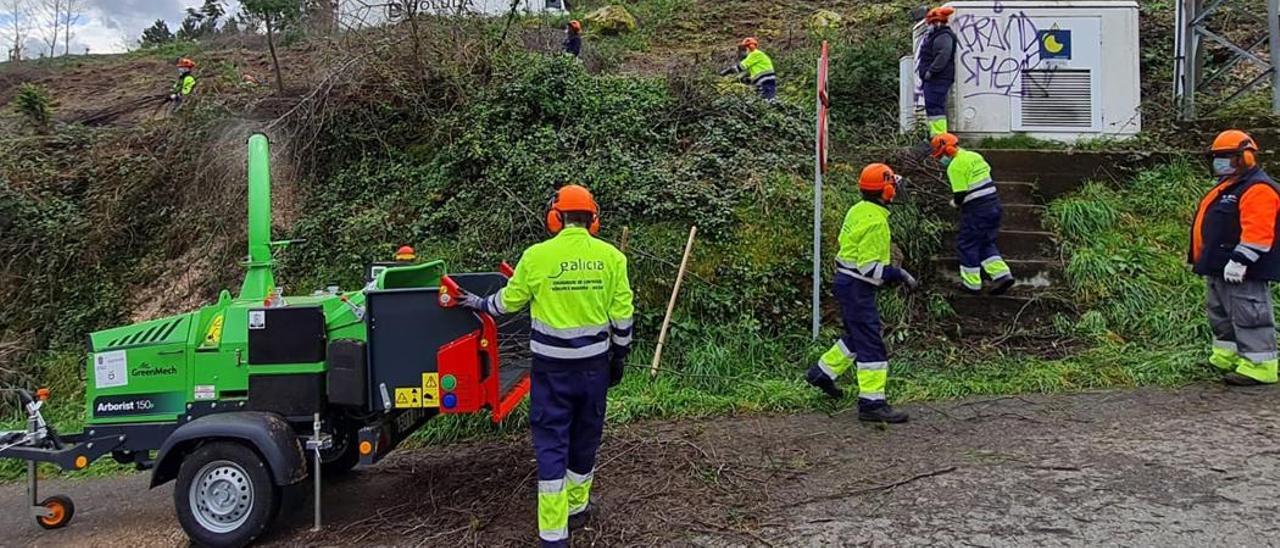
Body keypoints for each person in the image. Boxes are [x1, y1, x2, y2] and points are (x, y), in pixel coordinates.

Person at [461, 184, 634, 545]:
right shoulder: (612, 258)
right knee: (586, 437)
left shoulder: (537, 256)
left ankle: (554, 536)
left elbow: (507, 303)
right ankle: (578, 509)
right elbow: (622, 315)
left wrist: (478, 303)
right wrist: (620, 356)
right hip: (594, 369)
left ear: (555, 218)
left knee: (552, 443)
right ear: (594, 220)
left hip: (551, 371)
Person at [805, 163, 918, 423]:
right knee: (871, 343)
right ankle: (872, 403)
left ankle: (821, 373)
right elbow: (870, 268)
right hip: (858, 286)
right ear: (885, 191)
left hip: (846, 282)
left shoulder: (859, 209)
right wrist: (899, 275)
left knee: (858, 335)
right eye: (893, 186)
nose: (896, 191)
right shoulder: (877, 222)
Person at [1190, 130, 1280, 386]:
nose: (1220, 162)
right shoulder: (1229, 186)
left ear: (1244, 158)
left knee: (1250, 315)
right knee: (1221, 314)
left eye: (1226, 157)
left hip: (1244, 269)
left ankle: (1260, 366)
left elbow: (1259, 231)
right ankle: (1227, 358)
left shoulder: (1258, 188)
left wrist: (1241, 260)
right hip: (1220, 266)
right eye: (1217, 157)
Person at [931, 133, 1014, 295]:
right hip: (994, 206)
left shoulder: (955, 166)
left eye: (940, 156)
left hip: (977, 211)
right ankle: (1002, 275)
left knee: (966, 244)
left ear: (947, 151)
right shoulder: (974, 156)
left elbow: (960, 194)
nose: (941, 159)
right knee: (985, 242)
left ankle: (972, 285)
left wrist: (954, 203)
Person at [918, 7, 957, 136]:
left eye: (930, 23)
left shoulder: (943, 36)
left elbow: (942, 56)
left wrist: (931, 71)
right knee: (933, 108)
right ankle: (936, 136)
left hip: (937, 79)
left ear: (936, 23)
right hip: (935, 79)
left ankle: (939, 137)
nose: (928, 26)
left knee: (935, 108)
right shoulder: (938, 35)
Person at [719, 37, 777, 101]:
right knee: (764, 98)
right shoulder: (756, 56)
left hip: (765, 80)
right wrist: (744, 79)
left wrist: (726, 71)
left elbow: (740, 67)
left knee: (766, 99)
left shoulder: (755, 54)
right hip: (765, 80)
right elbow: (751, 72)